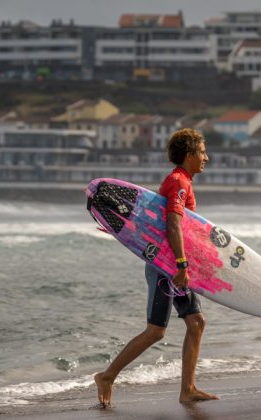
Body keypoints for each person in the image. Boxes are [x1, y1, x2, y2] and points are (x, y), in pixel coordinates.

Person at [95, 128, 219, 406]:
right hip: (167, 267)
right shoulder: (178, 182)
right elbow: (173, 225)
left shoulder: (183, 180)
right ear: (189, 155)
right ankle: (107, 376)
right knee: (156, 331)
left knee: (196, 322)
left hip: (172, 263)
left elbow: (163, 223)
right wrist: (182, 264)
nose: (206, 158)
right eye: (202, 152)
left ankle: (188, 388)